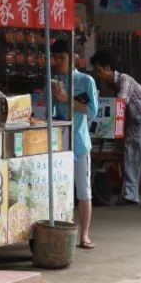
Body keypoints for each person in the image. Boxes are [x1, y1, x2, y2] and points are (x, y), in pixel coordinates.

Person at [90, 49, 141, 208]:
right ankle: (131, 196)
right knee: (130, 161)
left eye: (99, 71)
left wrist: (105, 123)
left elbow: (120, 103)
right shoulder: (111, 83)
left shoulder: (124, 79)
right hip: (133, 125)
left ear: (108, 68)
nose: (98, 75)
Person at [52, 40, 99, 249]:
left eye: (62, 57)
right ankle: (61, 231)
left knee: (83, 190)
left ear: (73, 59)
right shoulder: (52, 81)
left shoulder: (86, 81)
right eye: (55, 58)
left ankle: (85, 234)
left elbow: (92, 111)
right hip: (57, 143)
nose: (57, 62)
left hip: (79, 143)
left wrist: (66, 99)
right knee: (59, 189)